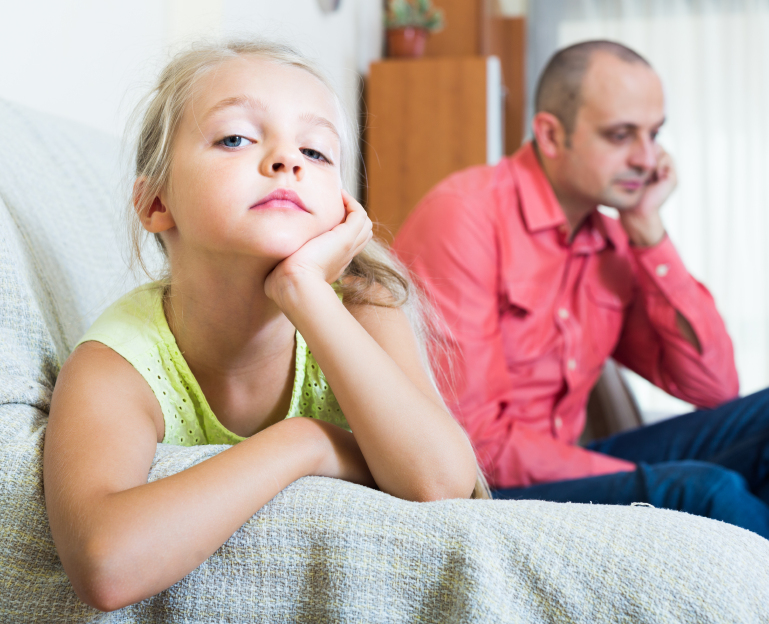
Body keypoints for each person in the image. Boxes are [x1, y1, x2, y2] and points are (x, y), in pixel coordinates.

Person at [43, 39, 483, 612]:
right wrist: (305, 443)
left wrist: (304, 290)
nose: (287, 160)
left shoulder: (361, 304)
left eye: (317, 151)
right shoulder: (119, 362)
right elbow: (106, 566)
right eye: (235, 138)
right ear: (156, 202)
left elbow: (441, 484)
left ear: (344, 211)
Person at [393, 40, 769, 538]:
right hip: (486, 488)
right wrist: (640, 480)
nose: (649, 158)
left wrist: (648, 229)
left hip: (565, 465)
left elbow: (712, 386)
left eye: (655, 134)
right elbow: (474, 445)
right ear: (550, 134)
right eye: (621, 136)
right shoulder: (466, 215)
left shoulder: (612, 240)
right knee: (706, 490)